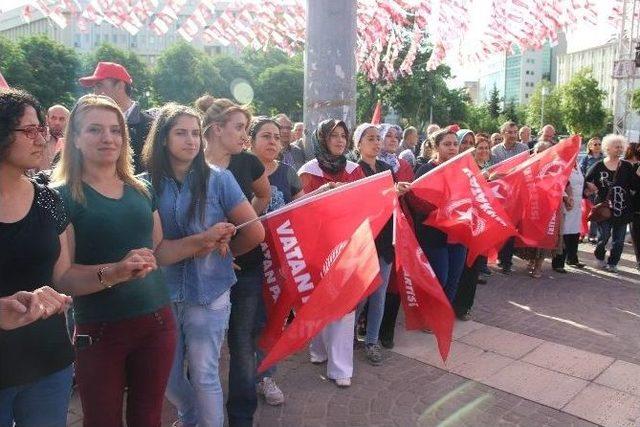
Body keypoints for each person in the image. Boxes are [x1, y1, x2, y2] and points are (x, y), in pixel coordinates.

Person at [52, 94, 212, 427]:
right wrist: (115, 272)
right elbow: (62, 277)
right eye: (95, 130)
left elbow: (160, 251)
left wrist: (202, 241)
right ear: (76, 139)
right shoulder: (61, 195)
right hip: (100, 329)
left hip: (157, 323)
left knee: (148, 417)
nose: (108, 138)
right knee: (101, 420)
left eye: (115, 130)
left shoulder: (140, 188)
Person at [144, 103, 263, 427]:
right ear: (163, 139)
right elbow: (153, 250)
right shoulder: (144, 184)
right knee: (168, 377)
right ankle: (189, 414)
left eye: (195, 133)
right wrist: (203, 242)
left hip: (209, 293)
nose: (191, 140)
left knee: (205, 373)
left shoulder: (219, 179)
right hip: (162, 293)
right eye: (181, 133)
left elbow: (254, 230)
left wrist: (228, 254)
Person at [0, 88, 74, 426]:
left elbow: (64, 278)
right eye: (29, 130)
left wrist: (115, 272)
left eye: (42, 129)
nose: (42, 139)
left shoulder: (49, 201)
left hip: (48, 362)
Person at [198, 95, 270, 427]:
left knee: (241, 344)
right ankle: (199, 413)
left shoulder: (249, 163)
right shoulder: (191, 164)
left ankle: (241, 418)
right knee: (200, 347)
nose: (245, 136)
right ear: (216, 130)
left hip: (248, 265)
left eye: (247, 128)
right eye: (239, 128)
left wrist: (241, 231)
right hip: (201, 268)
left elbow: (264, 195)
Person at [298, 119, 365, 388]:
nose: (339, 141)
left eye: (343, 136)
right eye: (333, 136)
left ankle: (340, 368)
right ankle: (318, 349)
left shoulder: (354, 170)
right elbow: (300, 209)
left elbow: (363, 203)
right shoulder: (309, 171)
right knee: (319, 300)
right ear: (321, 139)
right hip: (317, 246)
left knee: (344, 305)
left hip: (347, 245)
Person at [249, 116, 303, 405]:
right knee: (246, 323)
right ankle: (244, 375)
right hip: (247, 261)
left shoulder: (288, 173)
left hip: (280, 263)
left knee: (272, 322)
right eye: (265, 136)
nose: (272, 142)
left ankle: (266, 376)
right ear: (251, 140)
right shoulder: (238, 171)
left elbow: (301, 210)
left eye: (276, 137)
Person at [352, 123, 410, 365]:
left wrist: (399, 192)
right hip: (364, 239)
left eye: (379, 138)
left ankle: (372, 341)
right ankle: (349, 335)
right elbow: (358, 205)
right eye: (371, 138)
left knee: (379, 294)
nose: (377, 143)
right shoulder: (354, 170)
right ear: (359, 144)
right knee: (361, 295)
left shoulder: (387, 168)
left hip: (386, 237)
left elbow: (391, 202)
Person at [412, 127, 467, 302]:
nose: (452, 148)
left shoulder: (463, 169)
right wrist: (442, 207)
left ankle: (443, 317)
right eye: (447, 144)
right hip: (433, 235)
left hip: (457, 234)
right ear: (436, 147)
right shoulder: (425, 170)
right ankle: (429, 314)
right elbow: (416, 204)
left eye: (455, 144)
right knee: (439, 277)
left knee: (453, 279)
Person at [78, 61, 153, 174]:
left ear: (119, 86)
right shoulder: (85, 124)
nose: (95, 93)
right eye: (95, 130)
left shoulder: (151, 126)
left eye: (99, 86)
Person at [585, 134, 640, 272]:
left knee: (619, 240)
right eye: (617, 147)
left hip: (623, 209)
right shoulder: (599, 165)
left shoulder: (627, 166)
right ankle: (599, 255)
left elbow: (635, 186)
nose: (620, 149)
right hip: (604, 209)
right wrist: (590, 186)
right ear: (608, 148)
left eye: (621, 146)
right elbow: (586, 179)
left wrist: (638, 174)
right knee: (603, 237)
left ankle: (613, 263)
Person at [491, 121, 529, 274]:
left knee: (512, 227)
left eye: (515, 132)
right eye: (510, 132)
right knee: (499, 226)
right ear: (502, 133)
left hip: (516, 195)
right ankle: (497, 256)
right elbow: (492, 172)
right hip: (500, 195)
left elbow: (526, 169)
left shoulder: (524, 149)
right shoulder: (495, 151)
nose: (513, 135)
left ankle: (506, 261)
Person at [552, 160, 586, 273]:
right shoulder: (561, 163)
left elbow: (580, 182)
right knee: (564, 233)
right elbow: (559, 183)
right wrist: (566, 198)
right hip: (565, 203)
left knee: (574, 232)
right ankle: (558, 263)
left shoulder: (577, 164)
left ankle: (572, 258)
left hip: (576, 203)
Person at [38, 104, 69, 171]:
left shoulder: (72, 142)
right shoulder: (38, 140)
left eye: (62, 119)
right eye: (53, 118)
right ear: (47, 120)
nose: (57, 122)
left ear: (68, 121)